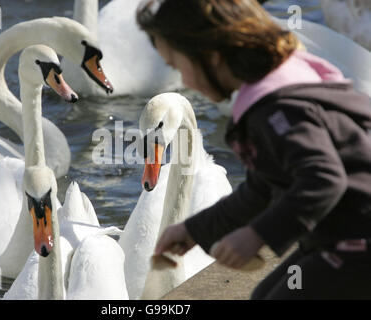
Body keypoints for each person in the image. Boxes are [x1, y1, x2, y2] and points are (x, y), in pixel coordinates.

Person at [136, 0, 371, 299]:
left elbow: (323, 179)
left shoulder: (278, 110)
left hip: (357, 244)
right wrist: (196, 230)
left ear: (212, 57)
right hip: (342, 233)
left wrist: (256, 235)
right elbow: (262, 188)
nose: (183, 81)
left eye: (180, 66)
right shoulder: (281, 88)